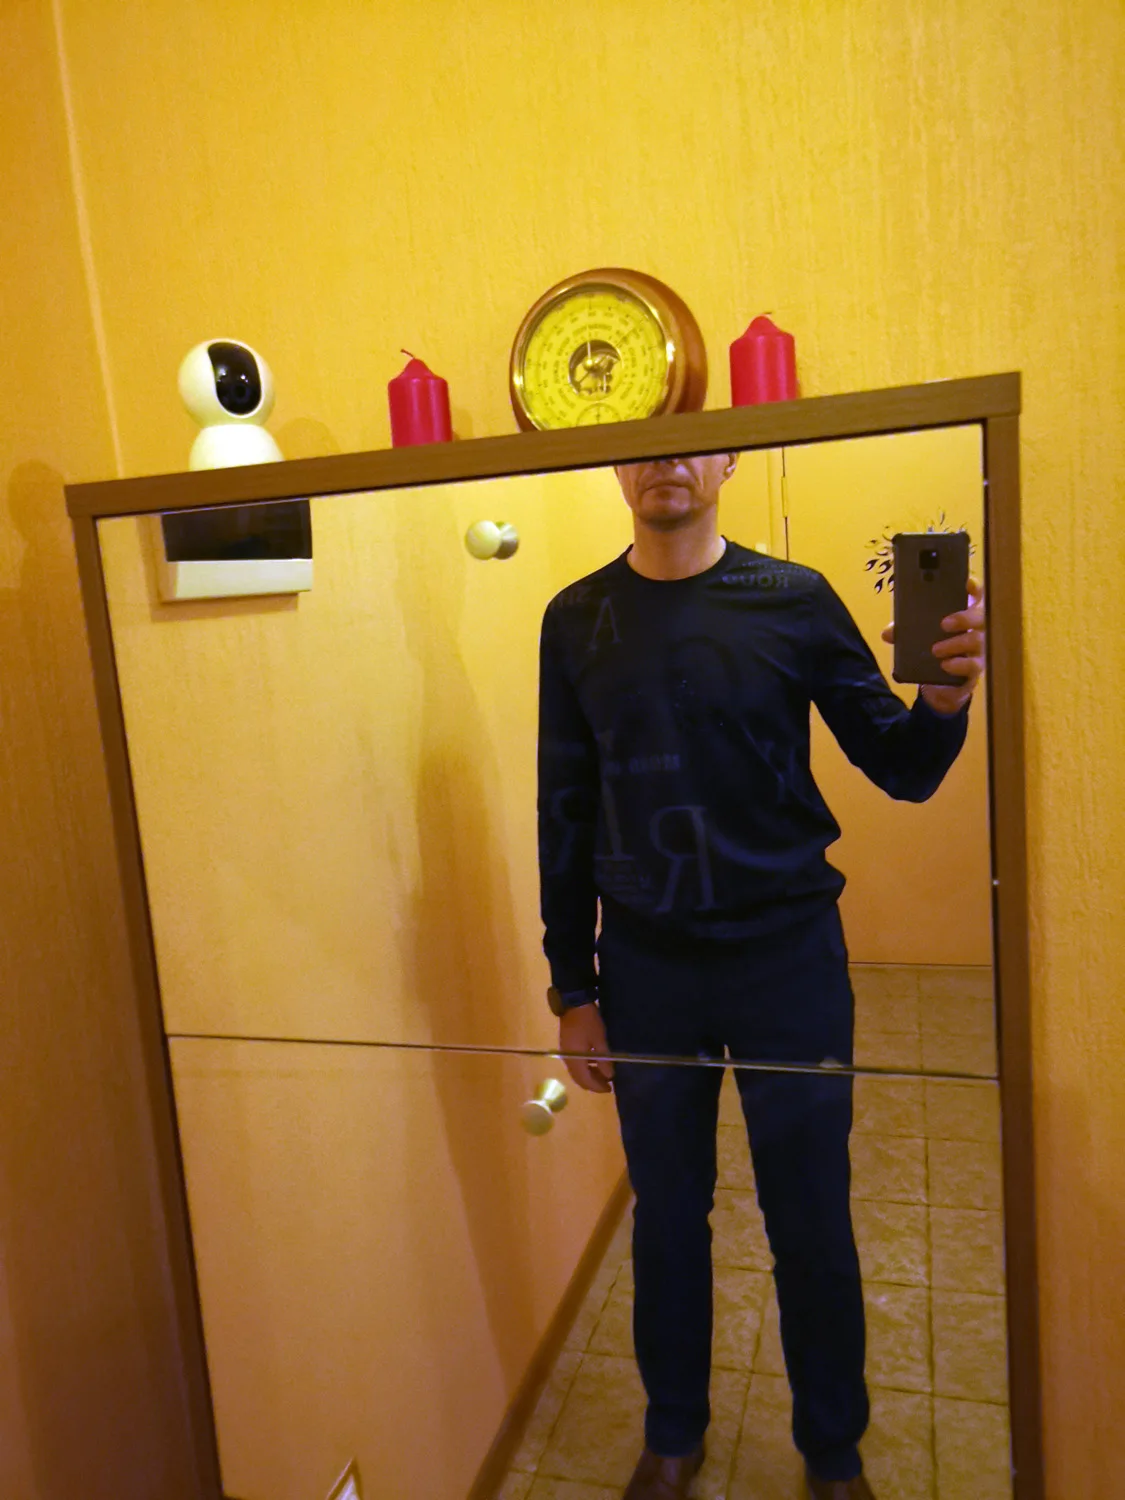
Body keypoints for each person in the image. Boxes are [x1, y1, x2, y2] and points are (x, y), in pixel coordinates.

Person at [536, 453, 985, 1500]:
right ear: (616, 460)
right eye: (645, 440)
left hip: (788, 959)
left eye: (694, 438)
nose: (667, 460)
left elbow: (904, 769)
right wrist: (573, 987)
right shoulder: (575, 618)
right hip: (646, 967)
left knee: (810, 1218)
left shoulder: (792, 598)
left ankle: (833, 1453)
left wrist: (942, 699)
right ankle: (672, 1435)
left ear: (730, 455)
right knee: (666, 1215)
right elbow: (563, 807)